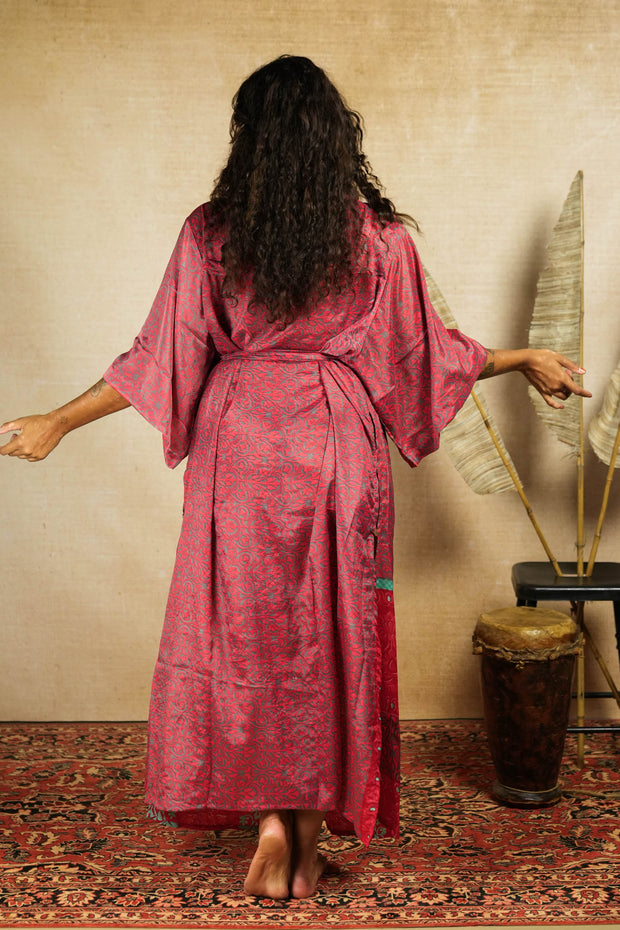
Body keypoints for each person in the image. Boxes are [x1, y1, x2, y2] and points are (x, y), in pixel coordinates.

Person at [0, 55, 590, 900]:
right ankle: (301, 839)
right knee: (330, 634)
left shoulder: (211, 233)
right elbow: (426, 355)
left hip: (237, 446)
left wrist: (58, 420)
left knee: (244, 637)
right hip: (334, 446)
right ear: (335, 139)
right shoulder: (377, 239)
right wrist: (523, 356)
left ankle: (272, 822)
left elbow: (160, 355)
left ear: (249, 139)